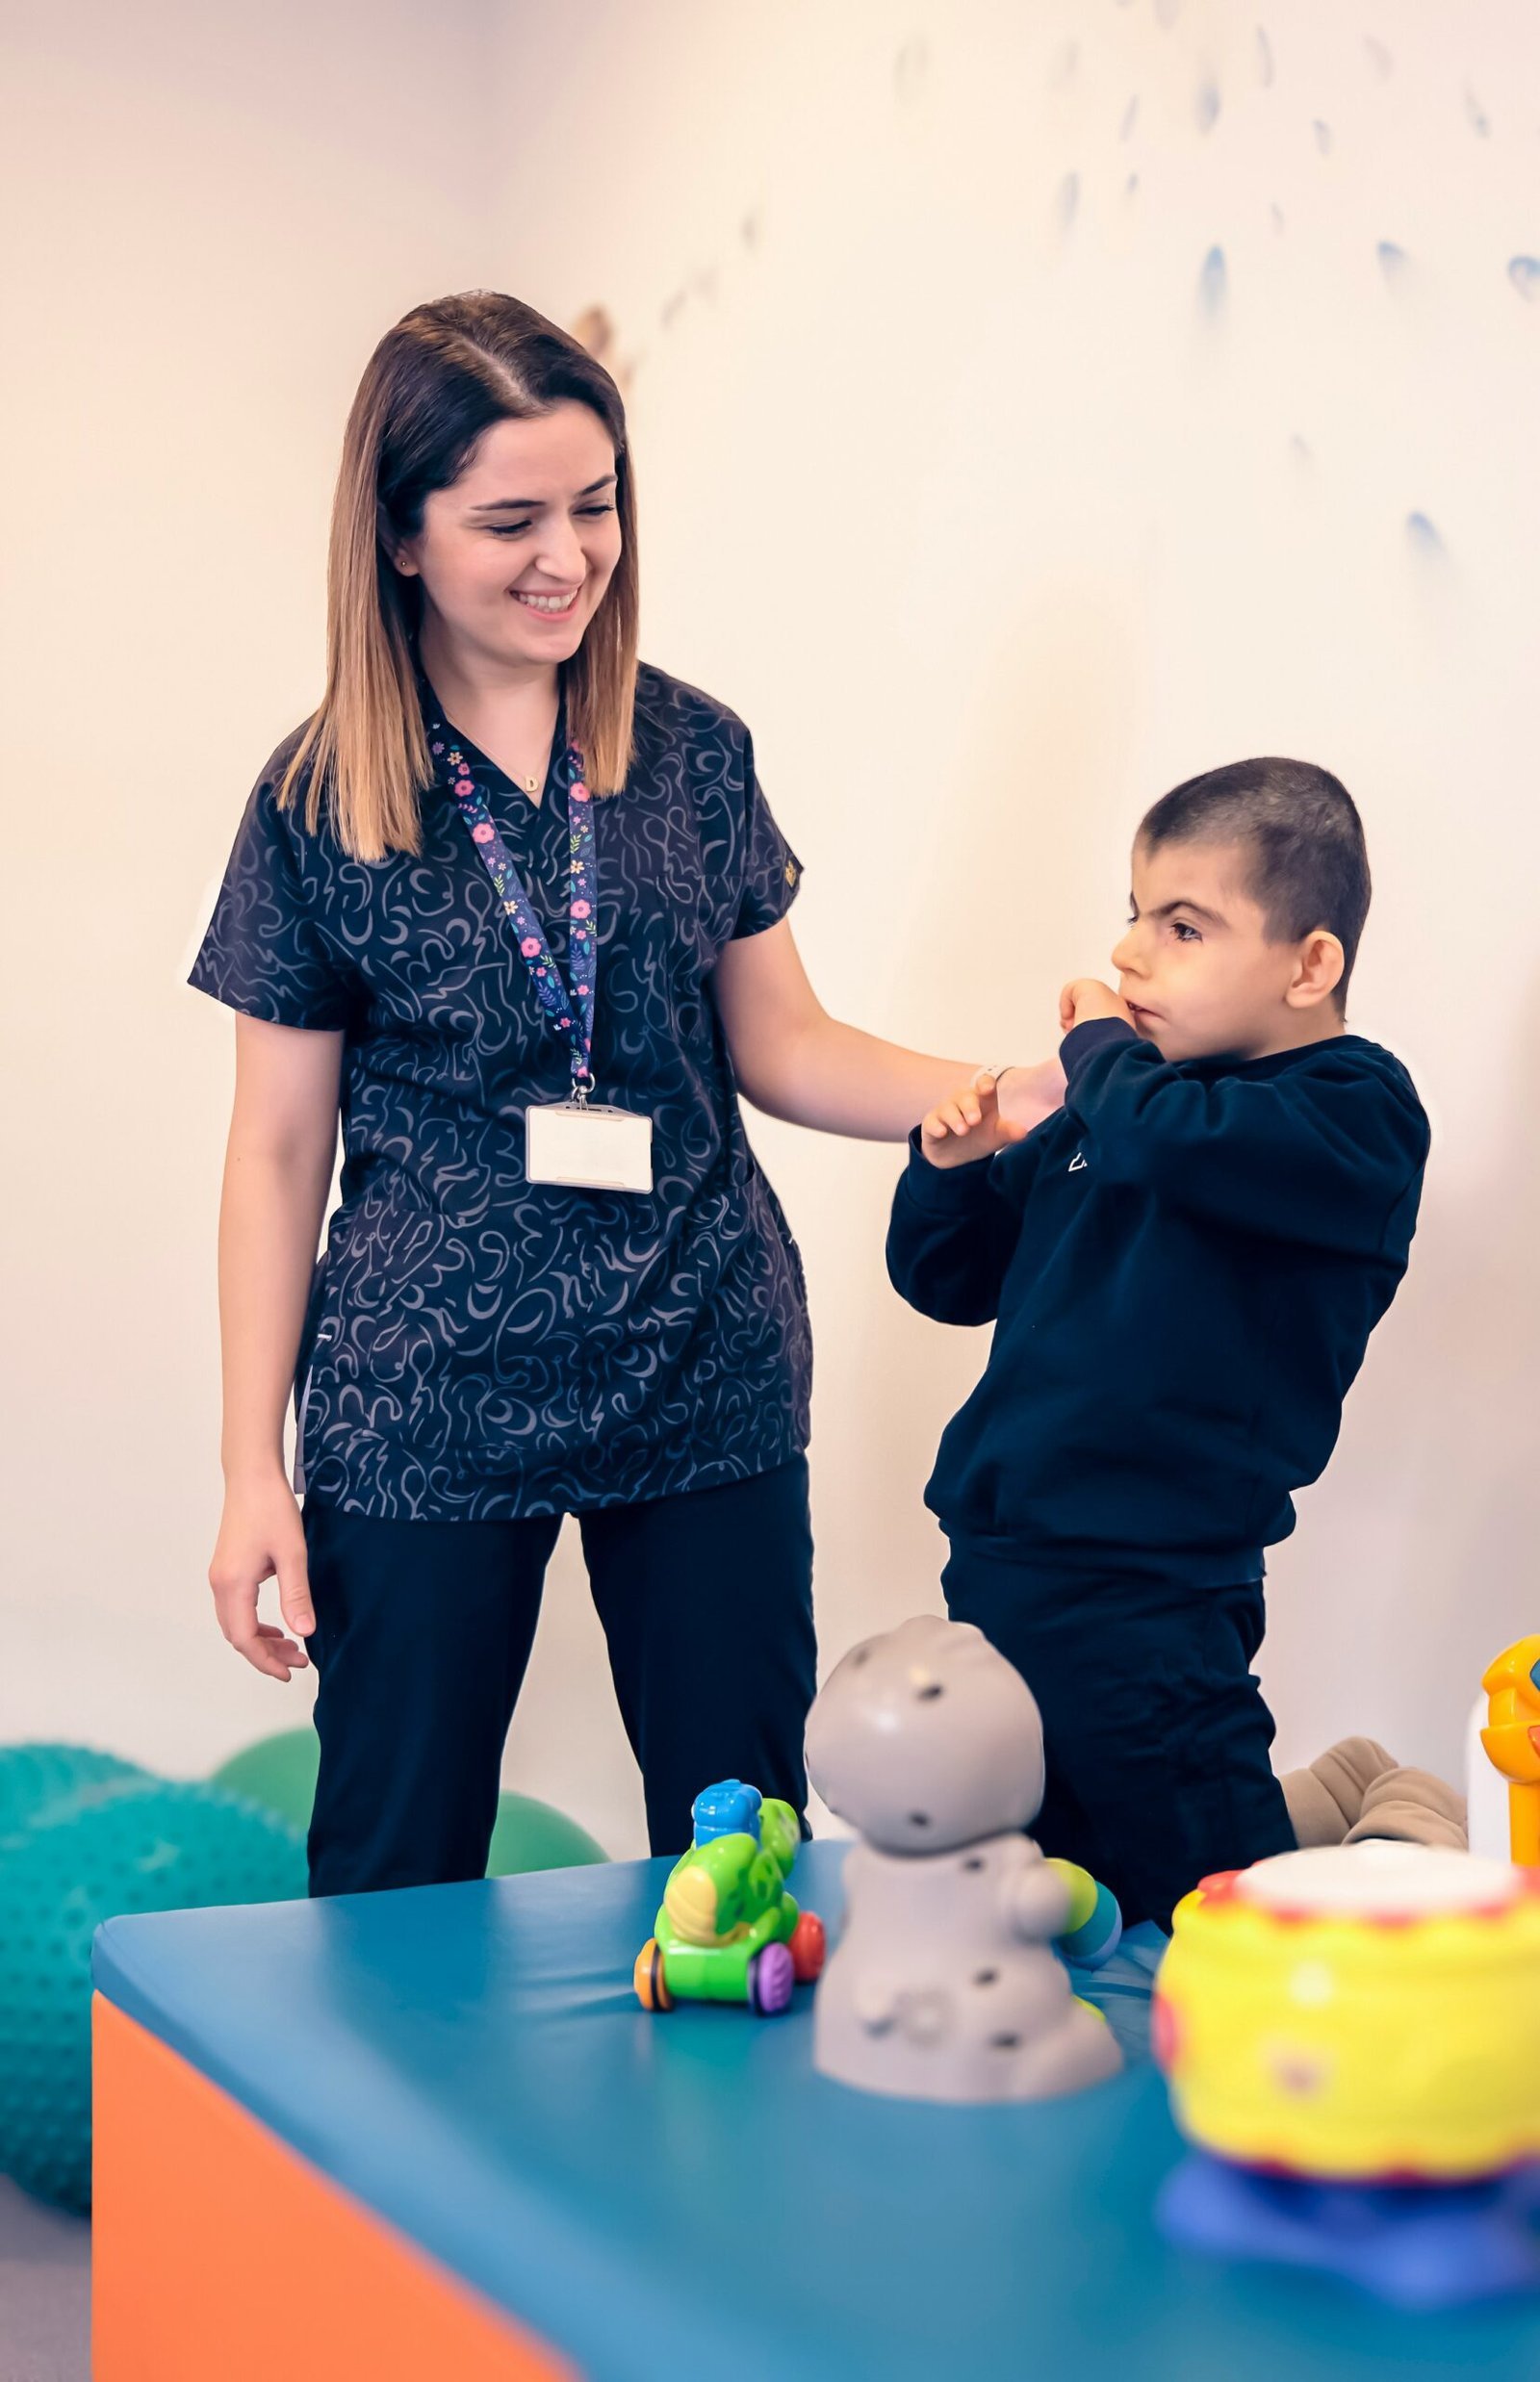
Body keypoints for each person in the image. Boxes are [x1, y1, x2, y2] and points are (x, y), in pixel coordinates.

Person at [192, 290, 1061, 1893]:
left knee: (741, 1857)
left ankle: (743, 2145)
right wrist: (256, 1469)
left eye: (594, 507)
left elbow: (783, 1043)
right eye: (508, 519)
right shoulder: (317, 799)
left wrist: (1003, 1091)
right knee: (392, 1858)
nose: (566, 557)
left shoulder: (694, 752)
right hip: (425, 1394)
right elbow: (274, 1150)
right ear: (397, 537)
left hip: (700, 1360)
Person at [886, 758, 1431, 1927]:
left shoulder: (1346, 1111)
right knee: (1048, 1897)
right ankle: (1314, 1818)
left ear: (1309, 964)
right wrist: (946, 1170)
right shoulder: (1121, 1115)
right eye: (1132, 915)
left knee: (1217, 1908)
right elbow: (948, 1279)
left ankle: (1401, 1840)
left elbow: (1173, 1142)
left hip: (1150, 1590)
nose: (1128, 956)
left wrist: (1096, 1058)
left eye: (1183, 926)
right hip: (1001, 1562)